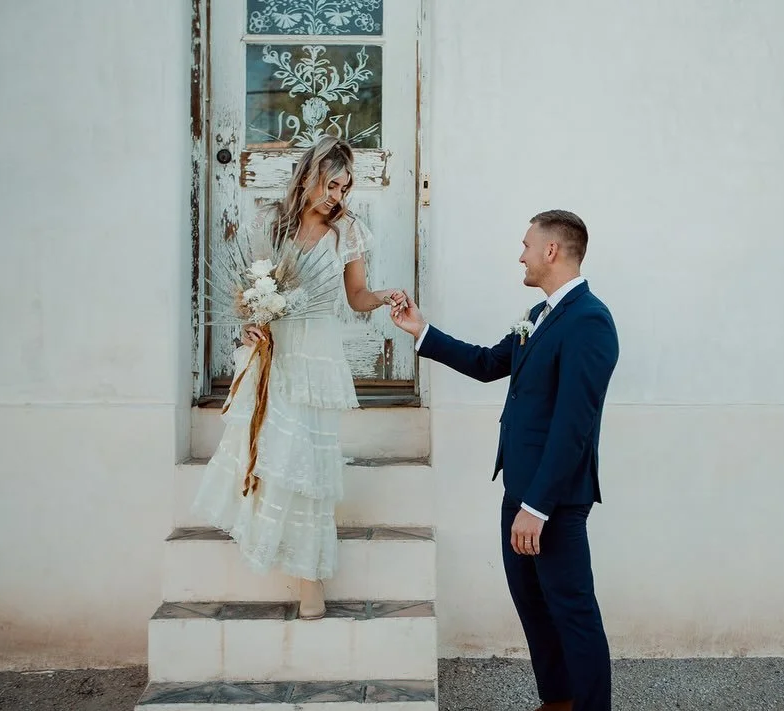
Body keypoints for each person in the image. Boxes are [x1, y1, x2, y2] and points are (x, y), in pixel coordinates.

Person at [390, 210, 619, 711]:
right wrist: (421, 330)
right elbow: (489, 363)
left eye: (526, 245)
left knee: (572, 611)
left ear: (552, 251)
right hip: (518, 490)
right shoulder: (537, 317)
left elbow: (573, 425)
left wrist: (537, 507)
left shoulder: (590, 322)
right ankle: (557, 702)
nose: (521, 254)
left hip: (551, 501)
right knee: (535, 608)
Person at [192, 136, 407, 619]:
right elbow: (248, 290)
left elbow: (356, 297)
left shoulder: (346, 231)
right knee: (273, 453)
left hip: (317, 352)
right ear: (310, 174)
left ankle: (310, 580)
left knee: (307, 463)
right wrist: (247, 319)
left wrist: (384, 296)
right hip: (273, 348)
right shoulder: (270, 222)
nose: (337, 195)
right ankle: (266, 540)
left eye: (345, 187)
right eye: (332, 184)